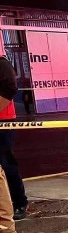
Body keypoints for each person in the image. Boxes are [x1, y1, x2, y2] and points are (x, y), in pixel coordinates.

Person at [0, 55, 28, 221]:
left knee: (6, 162)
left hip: (3, 121)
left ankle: (19, 203)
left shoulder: (2, 64)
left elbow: (10, 88)